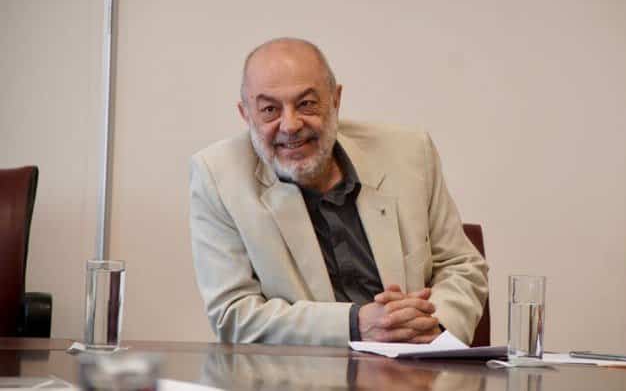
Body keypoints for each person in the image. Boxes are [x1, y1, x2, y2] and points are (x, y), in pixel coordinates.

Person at [190, 37, 488, 346]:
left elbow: (461, 266)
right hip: (302, 371)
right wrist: (355, 324)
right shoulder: (218, 177)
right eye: (269, 109)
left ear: (335, 99)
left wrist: (432, 325)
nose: (290, 125)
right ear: (246, 115)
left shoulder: (409, 154)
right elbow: (233, 314)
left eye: (306, 104)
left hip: (415, 363)